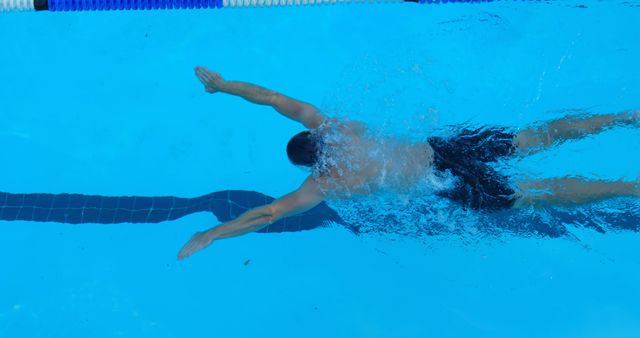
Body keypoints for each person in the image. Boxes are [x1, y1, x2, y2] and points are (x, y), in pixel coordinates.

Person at [177, 66, 640, 260]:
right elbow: (274, 99)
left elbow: (268, 213)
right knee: (533, 138)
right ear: (312, 135)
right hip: (443, 149)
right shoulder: (336, 126)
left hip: (440, 181)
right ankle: (624, 117)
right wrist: (222, 85)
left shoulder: (322, 185)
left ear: (306, 164)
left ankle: (629, 189)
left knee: (532, 195)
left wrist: (212, 233)